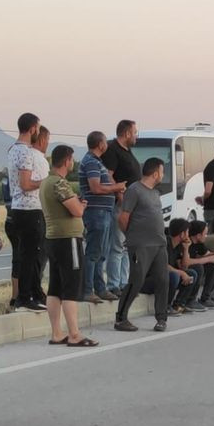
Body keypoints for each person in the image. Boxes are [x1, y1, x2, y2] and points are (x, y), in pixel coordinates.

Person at [40, 145, 96, 347]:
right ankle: (74, 333)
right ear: (67, 160)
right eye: (72, 160)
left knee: (55, 287)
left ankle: (57, 332)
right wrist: (81, 205)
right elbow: (76, 211)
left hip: (52, 238)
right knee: (71, 286)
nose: (72, 163)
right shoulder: (60, 184)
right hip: (68, 239)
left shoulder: (46, 182)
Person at [115, 157, 170, 333]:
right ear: (155, 173)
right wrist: (131, 236)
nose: (163, 174)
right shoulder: (134, 190)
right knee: (136, 281)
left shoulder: (155, 192)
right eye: (162, 171)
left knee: (163, 280)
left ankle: (161, 318)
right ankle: (121, 318)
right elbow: (123, 218)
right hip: (140, 245)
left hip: (159, 244)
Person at [6, 113, 49, 312]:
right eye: (38, 129)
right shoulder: (25, 152)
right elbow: (25, 183)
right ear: (32, 129)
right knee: (30, 255)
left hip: (19, 209)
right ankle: (25, 297)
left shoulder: (13, 149)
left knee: (29, 254)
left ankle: (34, 292)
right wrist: (44, 183)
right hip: (29, 208)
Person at [79, 130, 126, 303]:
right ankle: (88, 289)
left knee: (102, 252)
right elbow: (95, 188)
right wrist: (116, 187)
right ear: (100, 144)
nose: (107, 145)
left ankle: (100, 288)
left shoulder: (97, 162)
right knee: (93, 252)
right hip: (96, 213)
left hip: (103, 212)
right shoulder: (91, 162)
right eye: (105, 142)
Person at [102, 120, 141, 299]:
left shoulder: (127, 150)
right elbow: (108, 176)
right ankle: (113, 284)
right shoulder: (112, 150)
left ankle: (124, 283)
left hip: (132, 205)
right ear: (126, 133)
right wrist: (120, 195)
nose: (136, 136)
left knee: (126, 246)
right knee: (117, 246)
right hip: (121, 205)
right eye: (135, 132)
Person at [162, 218, 200, 314]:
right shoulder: (164, 243)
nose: (188, 235)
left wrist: (186, 249)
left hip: (170, 278)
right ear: (182, 234)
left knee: (192, 274)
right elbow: (162, 265)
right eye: (187, 232)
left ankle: (179, 305)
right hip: (156, 278)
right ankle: (165, 306)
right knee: (175, 275)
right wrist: (181, 273)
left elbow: (184, 267)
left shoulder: (179, 245)